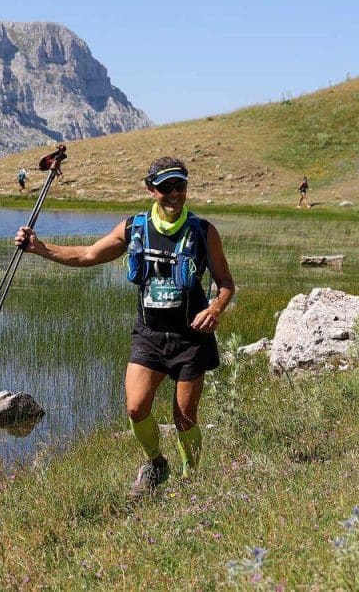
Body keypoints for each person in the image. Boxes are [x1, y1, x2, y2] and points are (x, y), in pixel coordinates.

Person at [14, 156, 235, 498]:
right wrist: (40, 249)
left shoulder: (204, 232)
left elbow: (225, 284)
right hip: (148, 335)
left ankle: (192, 479)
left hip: (192, 338)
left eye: (180, 186)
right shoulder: (134, 228)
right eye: (165, 187)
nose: (174, 194)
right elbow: (87, 255)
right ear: (150, 190)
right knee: (135, 407)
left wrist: (216, 309)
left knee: (185, 416)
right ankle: (156, 464)